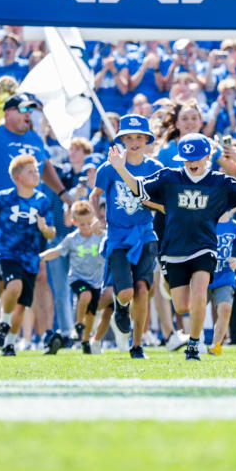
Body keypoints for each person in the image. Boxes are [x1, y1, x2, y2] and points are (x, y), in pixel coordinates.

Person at [106, 134, 236, 361]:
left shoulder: (220, 182)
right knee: (181, 306)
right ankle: (171, 288)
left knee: (199, 292)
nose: (192, 163)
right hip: (174, 249)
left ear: (208, 156)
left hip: (205, 247)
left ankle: (194, 344)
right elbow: (139, 189)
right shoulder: (169, 177)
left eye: (196, 157)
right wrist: (120, 168)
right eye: (187, 158)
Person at [90, 112, 162, 359]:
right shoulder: (109, 168)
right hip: (118, 237)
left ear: (146, 139)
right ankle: (121, 309)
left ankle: (137, 344)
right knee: (125, 292)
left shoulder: (155, 168)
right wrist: (97, 218)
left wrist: (149, 201)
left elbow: (163, 204)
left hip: (145, 235)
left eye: (139, 137)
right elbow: (94, 195)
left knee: (142, 289)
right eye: (129, 137)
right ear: (121, 139)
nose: (134, 142)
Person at [0, 153, 56, 356]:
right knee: (14, 286)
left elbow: (51, 231)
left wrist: (45, 229)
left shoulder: (42, 200)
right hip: (7, 253)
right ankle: (2, 325)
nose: (36, 174)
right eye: (31, 171)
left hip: (31, 258)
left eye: (36, 171)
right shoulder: (5, 197)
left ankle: (8, 343)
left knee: (22, 305)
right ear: (18, 177)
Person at [40, 200, 105, 354]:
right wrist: (40, 257)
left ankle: (85, 341)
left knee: (91, 314)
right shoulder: (72, 239)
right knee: (84, 295)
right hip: (78, 278)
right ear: (74, 223)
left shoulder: (102, 236)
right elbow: (57, 251)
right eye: (82, 224)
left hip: (96, 280)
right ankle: (78, 324)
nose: (87, 227)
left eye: (89, 223)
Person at [208, 208, 236, 355]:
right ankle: (195, 342)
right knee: (196, 308)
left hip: (226, 275)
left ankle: (216, 345)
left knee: (225, 309)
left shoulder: (235, 226)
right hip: (204, 274)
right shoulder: (207, 221)